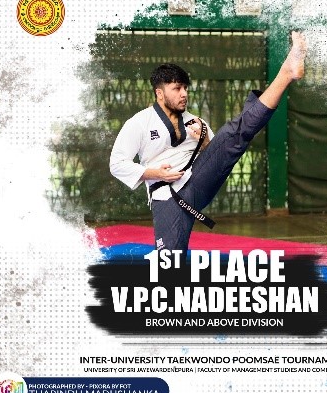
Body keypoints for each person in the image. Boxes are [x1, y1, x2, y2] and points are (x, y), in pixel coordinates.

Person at [110, 31, 307, 255]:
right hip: (167, 196)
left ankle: (286, 72)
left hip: (197, 181)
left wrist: (205, 142)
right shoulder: (139, 122)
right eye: (177, 88)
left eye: (185, 88)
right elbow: (117, 164)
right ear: (160, 93)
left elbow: (218, 155)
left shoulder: (196, 122)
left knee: (235, 134)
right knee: (169, 261)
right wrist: (155, 173)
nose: (184, 94)